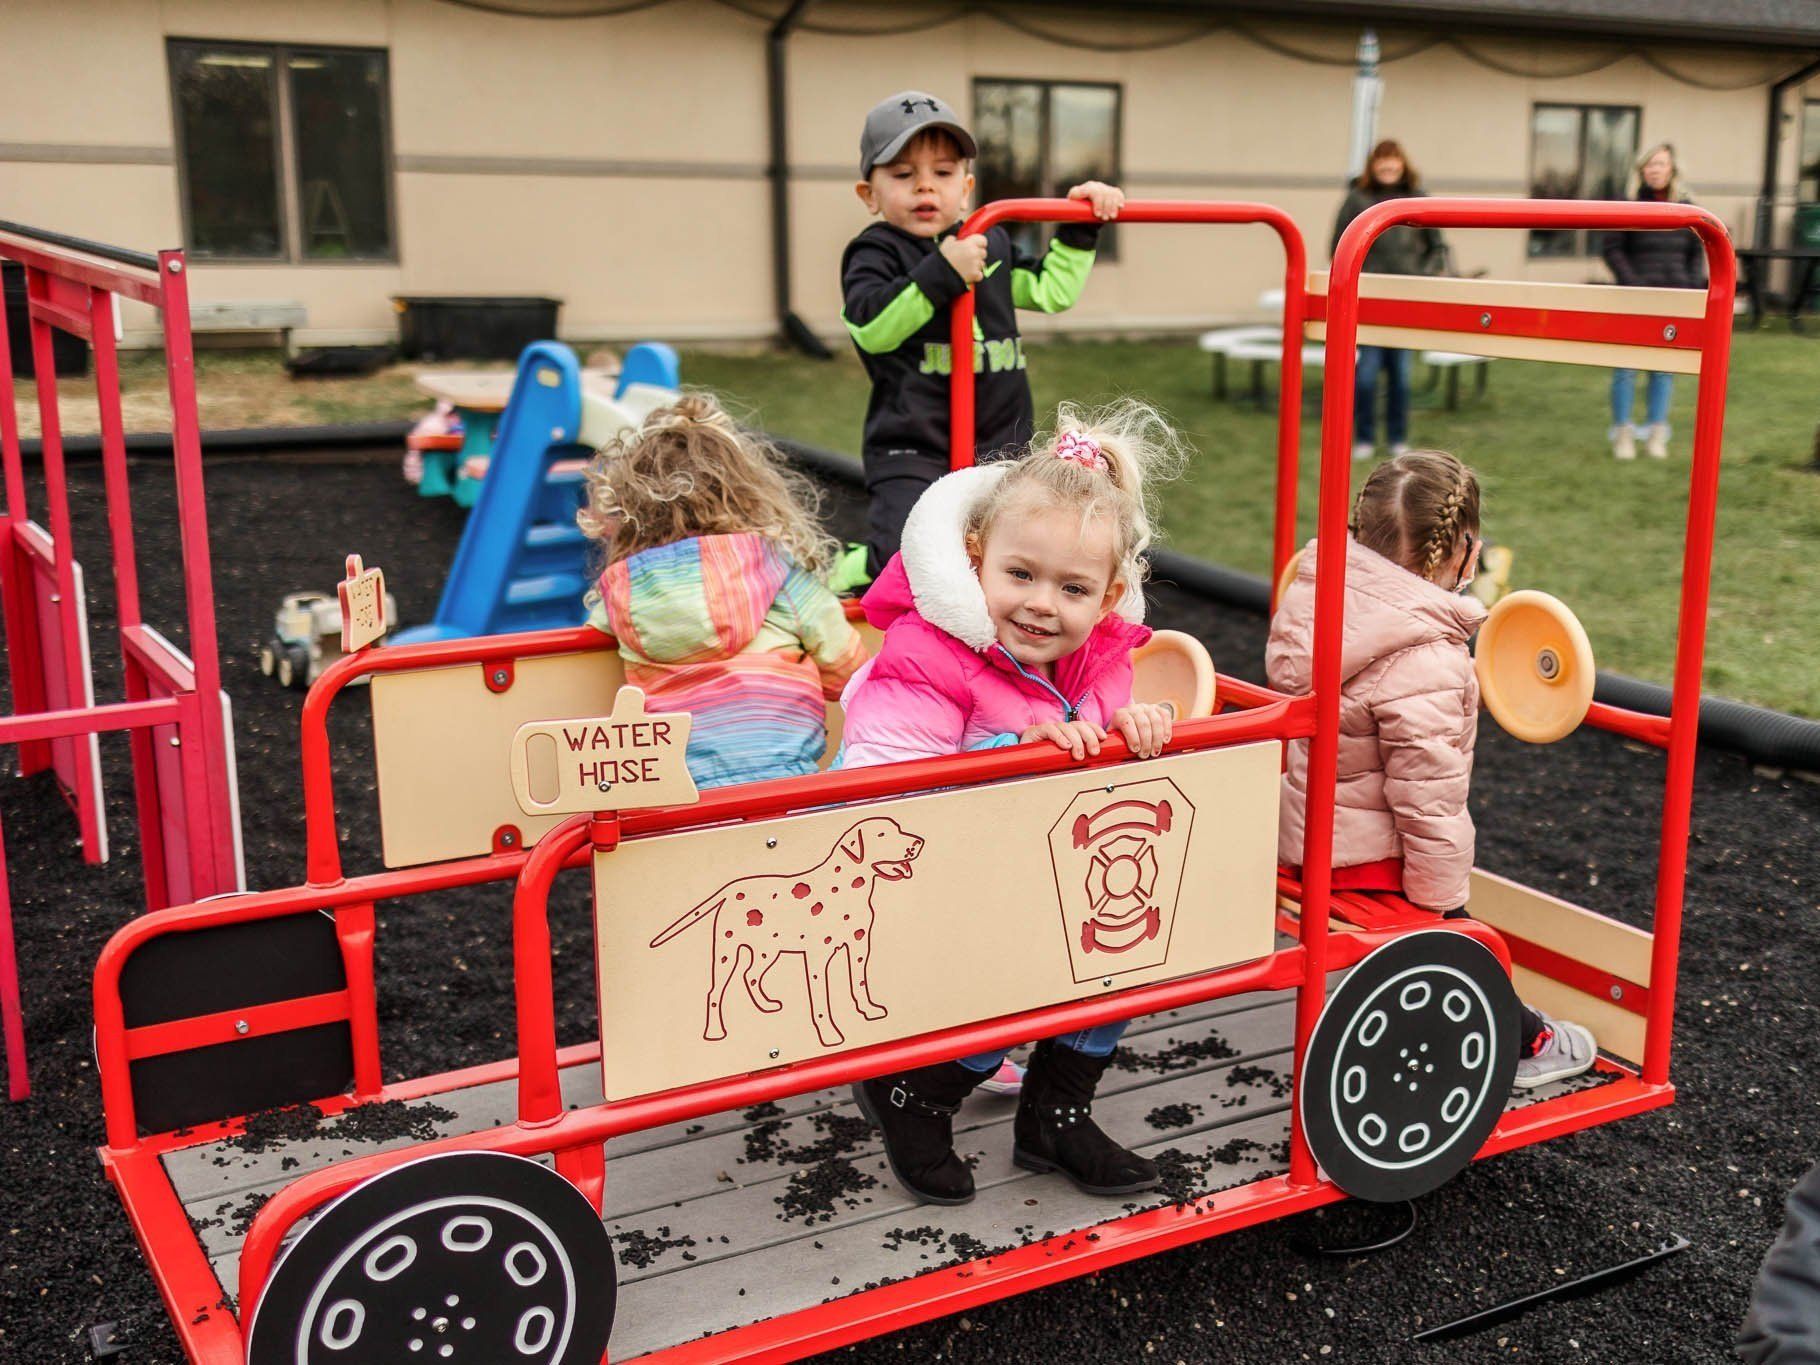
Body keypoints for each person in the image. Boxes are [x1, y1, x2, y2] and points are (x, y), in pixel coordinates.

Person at [838, 399, 1182, 1204]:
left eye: (1072, 588)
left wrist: (1134, 729)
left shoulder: (1097, 664)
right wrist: (1010, 757)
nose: (1039, 603)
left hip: (1041, 876)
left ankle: (1057, 1113)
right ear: (974, 558)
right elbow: (886, 786)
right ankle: (919, 1091)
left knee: (1127, 943)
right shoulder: (928, 655)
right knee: (1010, 961)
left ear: (1108, 597)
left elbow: (1095, 759)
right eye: (1019, 574)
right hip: (931, 888)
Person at [1268, 451, 1597, 1089]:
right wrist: (1445, 912)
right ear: (1467, 555)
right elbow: (1429, 802)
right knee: (1470, 944)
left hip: (1302, 842)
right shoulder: (1429, 659)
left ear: (1359, 535)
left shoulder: (1311, 608)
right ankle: (1527, 1041)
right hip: (1368, 869)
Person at [835, 90, 1124, 590]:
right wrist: (941, 272)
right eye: (904, 175)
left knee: (995, 549)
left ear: (965, 188)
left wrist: (1082, 229)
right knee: (902, 555)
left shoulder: (989, 240)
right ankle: (849, 568)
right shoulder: (875, 251)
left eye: (942, 173)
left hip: (999, 438)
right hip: (914, 442)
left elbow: (1051, 291)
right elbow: (873, 330)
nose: (925, 186)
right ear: (870, 195)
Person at [578, 394, 867, 789]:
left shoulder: (623, 596)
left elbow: (583, 641)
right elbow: (848, 674)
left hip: (680, 791)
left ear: (632, 511)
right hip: (785, 779)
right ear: (749, 493)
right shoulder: (781, 574)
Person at [1332, 139, 1448, 461]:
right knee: (1365, 377)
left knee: (1401, 376)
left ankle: (1397, 437)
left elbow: (1437, 245)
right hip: (1368, 300)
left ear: (1402, 164)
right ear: (1372, 166)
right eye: (1381, 161)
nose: (1387, 167)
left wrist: (1422, 277)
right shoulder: (1358, 199)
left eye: (1393, 161)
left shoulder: (1417, 198)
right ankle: (1364, 437)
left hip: (1405, 299)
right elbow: (1338, 245)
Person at [1603, 143, 1704, 460]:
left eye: (1661, 164)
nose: (1655, 169)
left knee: (1663, 370)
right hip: (1634, 297)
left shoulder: (1687, 208)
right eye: (1650, 164)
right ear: (1641, 170)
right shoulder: (1629, 205)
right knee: (1626, 367)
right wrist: (1632, 281)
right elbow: (1612, 248)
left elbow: (1695, 253)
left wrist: (1690, 286)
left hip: (1673, 297)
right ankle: (1623, 434)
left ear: (1672, 169)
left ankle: (1656, 433)